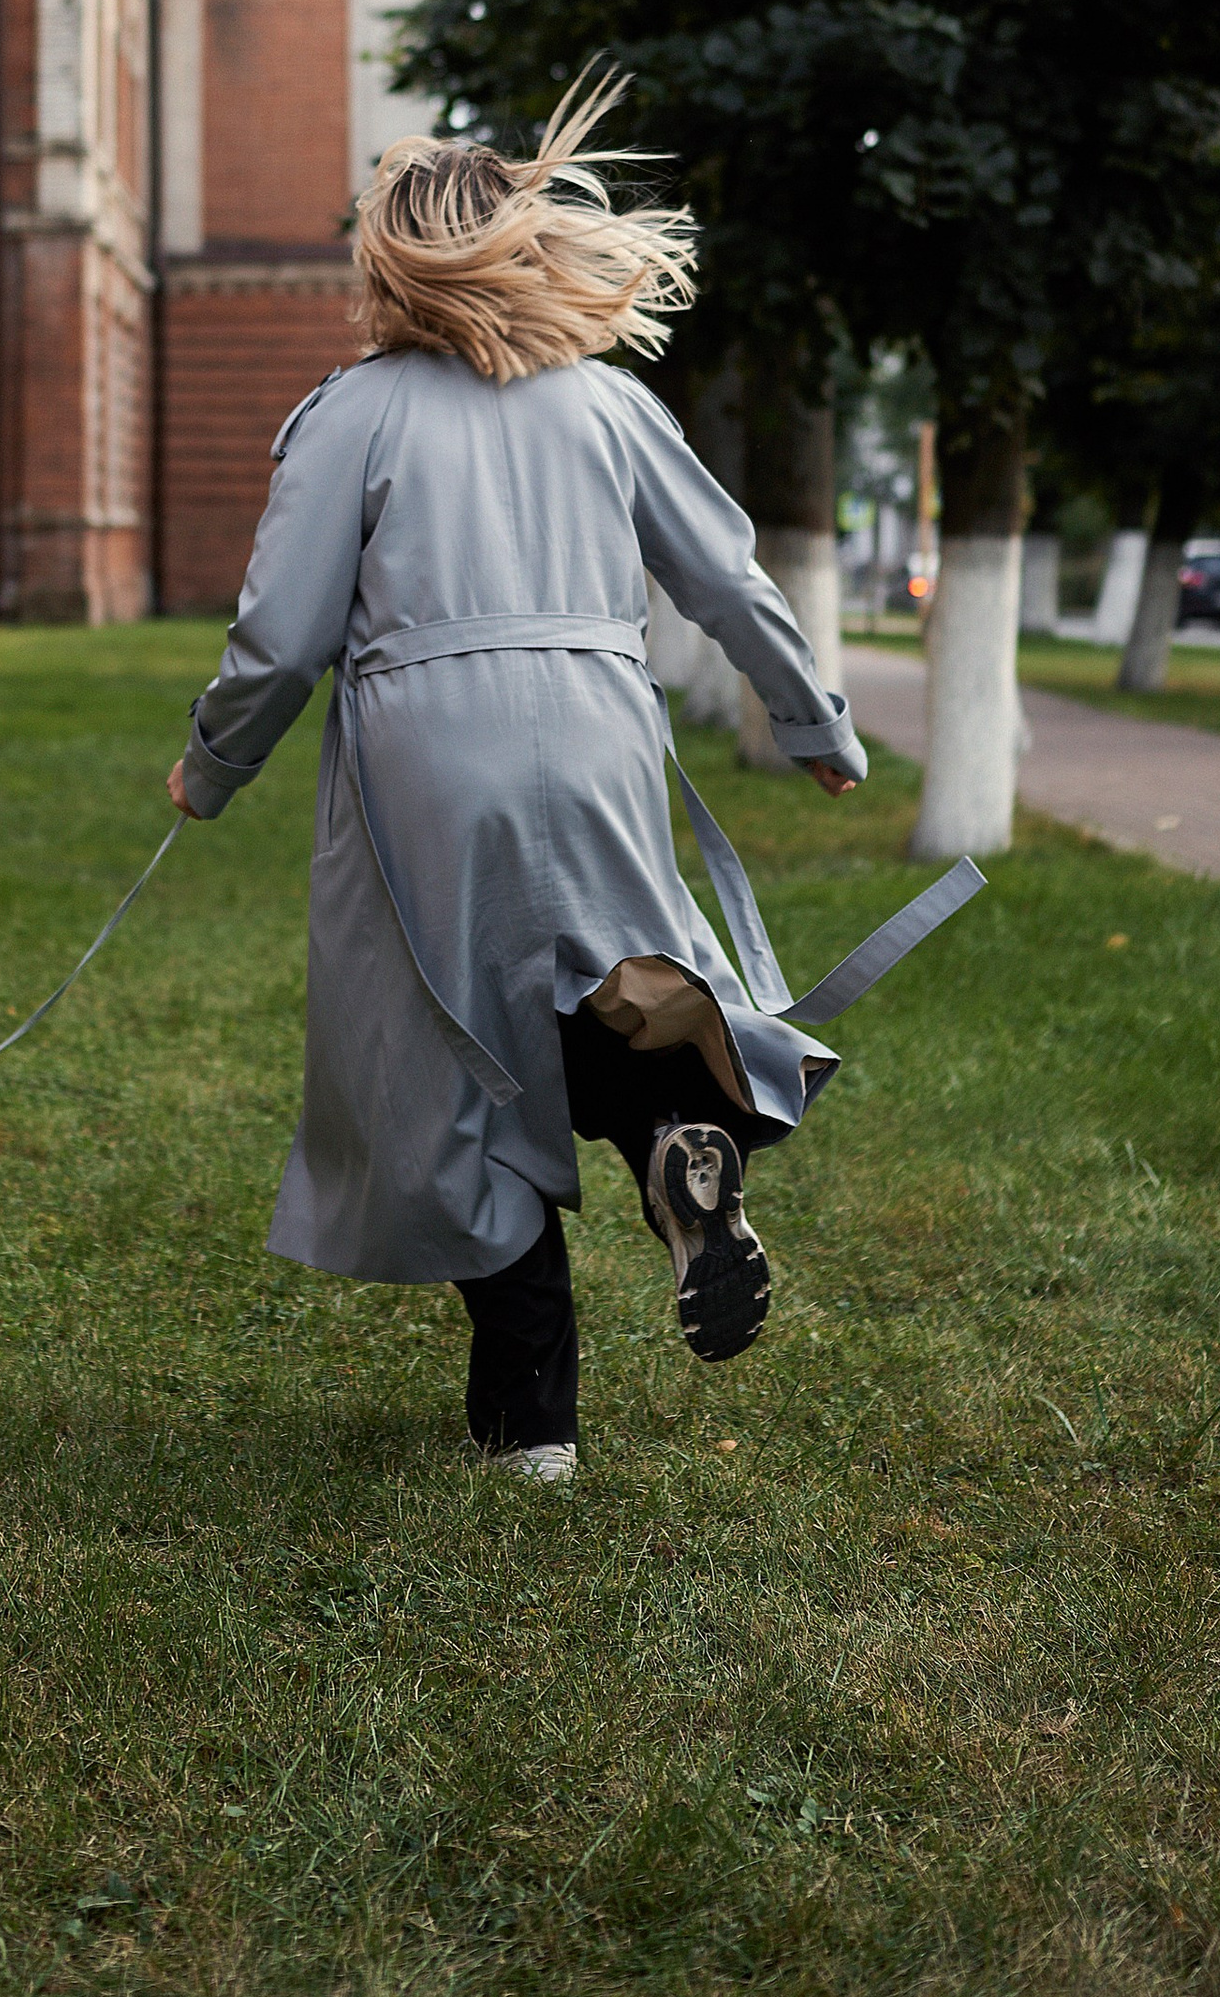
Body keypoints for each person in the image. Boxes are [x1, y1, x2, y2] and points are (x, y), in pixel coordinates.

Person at [167, 80, 867, 1483]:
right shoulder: (609, 405)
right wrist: (814, 721)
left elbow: (282, 636)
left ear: (390, 261)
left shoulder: (351, 414)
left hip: (429, 755)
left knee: (459, 1063)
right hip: (600, 727)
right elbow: (726, 577)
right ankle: (678, 1137)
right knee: (621, 996)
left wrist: (212, 762)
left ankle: (530, 1429)